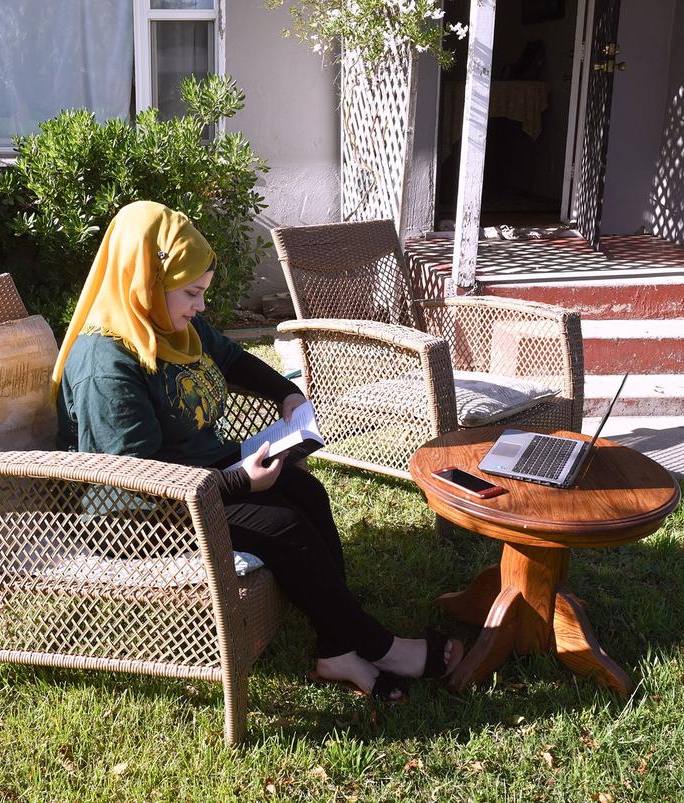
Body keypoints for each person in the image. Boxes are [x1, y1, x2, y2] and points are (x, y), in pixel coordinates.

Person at [52, 201, 462, 699]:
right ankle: (377, 645)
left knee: (306, 494)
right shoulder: (106, 364)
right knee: (282, 526)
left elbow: (233, 359)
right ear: (145, 282)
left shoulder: (171, 326)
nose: (200, 306)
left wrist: (286, 395)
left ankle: (336, 649)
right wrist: (239, 481)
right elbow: (136, 480)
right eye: (191, 293)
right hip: (131, 518)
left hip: (193, 478)